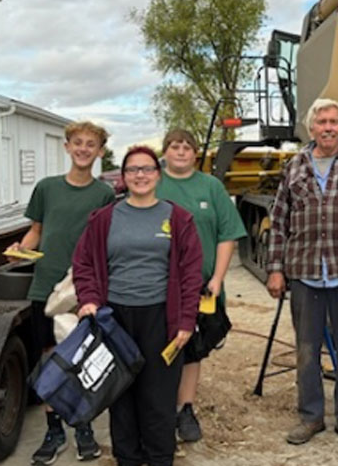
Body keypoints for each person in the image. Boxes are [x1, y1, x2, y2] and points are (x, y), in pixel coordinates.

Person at [266, 98, 338, 450]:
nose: (329, 127)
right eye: (322, 122)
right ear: (311, 127)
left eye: (335, 121)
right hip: (304, 273)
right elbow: (278, 223)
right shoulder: (294, 167)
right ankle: (311, 416)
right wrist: (276, 270)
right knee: (306, 349)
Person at [72, 146, 203, 466]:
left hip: (162, 317)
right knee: (121, 395)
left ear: (158, 175)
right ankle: (127, 458)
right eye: (133, 170)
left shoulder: (178, 218)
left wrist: (186, 320)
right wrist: (88, 300)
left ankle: (160, 458)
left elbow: (191, 272)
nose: (140, 176)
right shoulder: (105, 219)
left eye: (146, 169)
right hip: (114, 318)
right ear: (124, 176)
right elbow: (83, 263)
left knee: (157, 398)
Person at [6, 121, 115, 464]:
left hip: (84, 288)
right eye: (78, 143)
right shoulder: (47, 188)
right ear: (67, 147)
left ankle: (83, 424)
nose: (84, 149)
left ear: (100, 152)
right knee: (52, 358)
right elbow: (36, 231)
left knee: (82, 358)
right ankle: (54, 429)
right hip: (46, 286)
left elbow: (106, 241)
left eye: (91, 144)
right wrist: (20, 250)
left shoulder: (104, 195)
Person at [155, 128, 247, 442]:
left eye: (186, 147)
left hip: (200, 286)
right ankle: (161, 410)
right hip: (157, 285)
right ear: (165, 151)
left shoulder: (211, 187)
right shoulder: (153, 182)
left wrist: (218, 278)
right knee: (159, 347)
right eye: (174, 146)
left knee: (192, 349)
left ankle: (185, 408)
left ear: (195, 153)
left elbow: (227, 234)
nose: (180, 152)